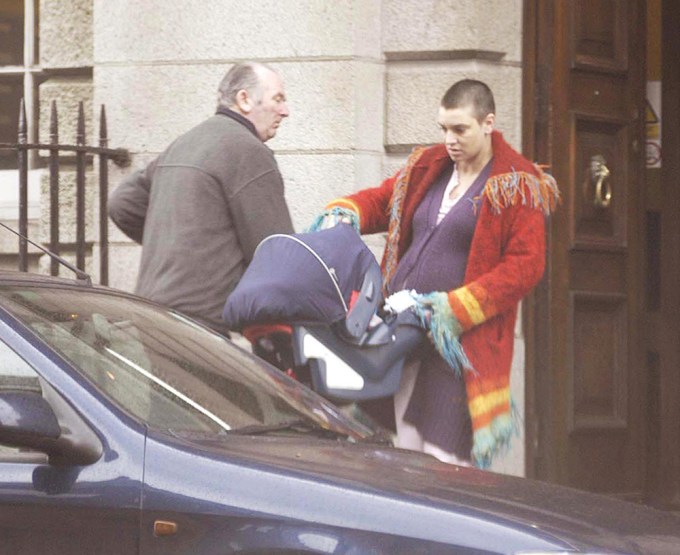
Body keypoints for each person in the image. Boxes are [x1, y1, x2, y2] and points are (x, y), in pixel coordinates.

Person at [309, 79, 559, 468]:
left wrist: (454, 308)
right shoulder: (429, 166)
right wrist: (347, 211)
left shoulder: (516, 182)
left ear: (488, 123)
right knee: (402, 453)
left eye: (460, 129)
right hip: (402, 331)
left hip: (458, 344)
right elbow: (382, 200)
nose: (450, 140)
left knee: (444, 462)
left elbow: (525, 267)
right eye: (444, 129)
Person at [108, 62, 294, 341]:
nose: (285, 111)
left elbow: (122, 203)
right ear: (244, 100)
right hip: (200, 325)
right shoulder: (249, 152)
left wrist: (182, 246)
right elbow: (276, 251)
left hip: (150, 312)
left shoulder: (185, 142)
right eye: (277, 99)